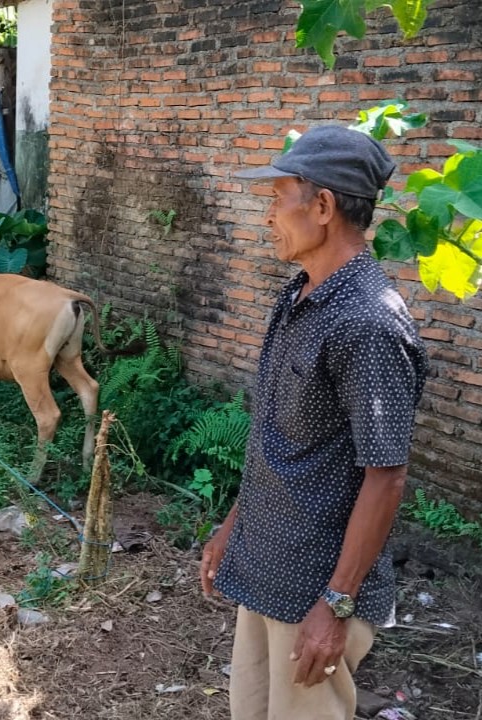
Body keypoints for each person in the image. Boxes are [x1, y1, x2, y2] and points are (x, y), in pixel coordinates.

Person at [200, 125, 428, 720]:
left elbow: (386, 475)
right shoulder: (300, 295)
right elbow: (278, 443)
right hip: (269, 568)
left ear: (322, 206)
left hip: (315, 593)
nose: (269, 216)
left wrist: (336, 605)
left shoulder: (368, 323)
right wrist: (234, 526)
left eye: (277, 198)